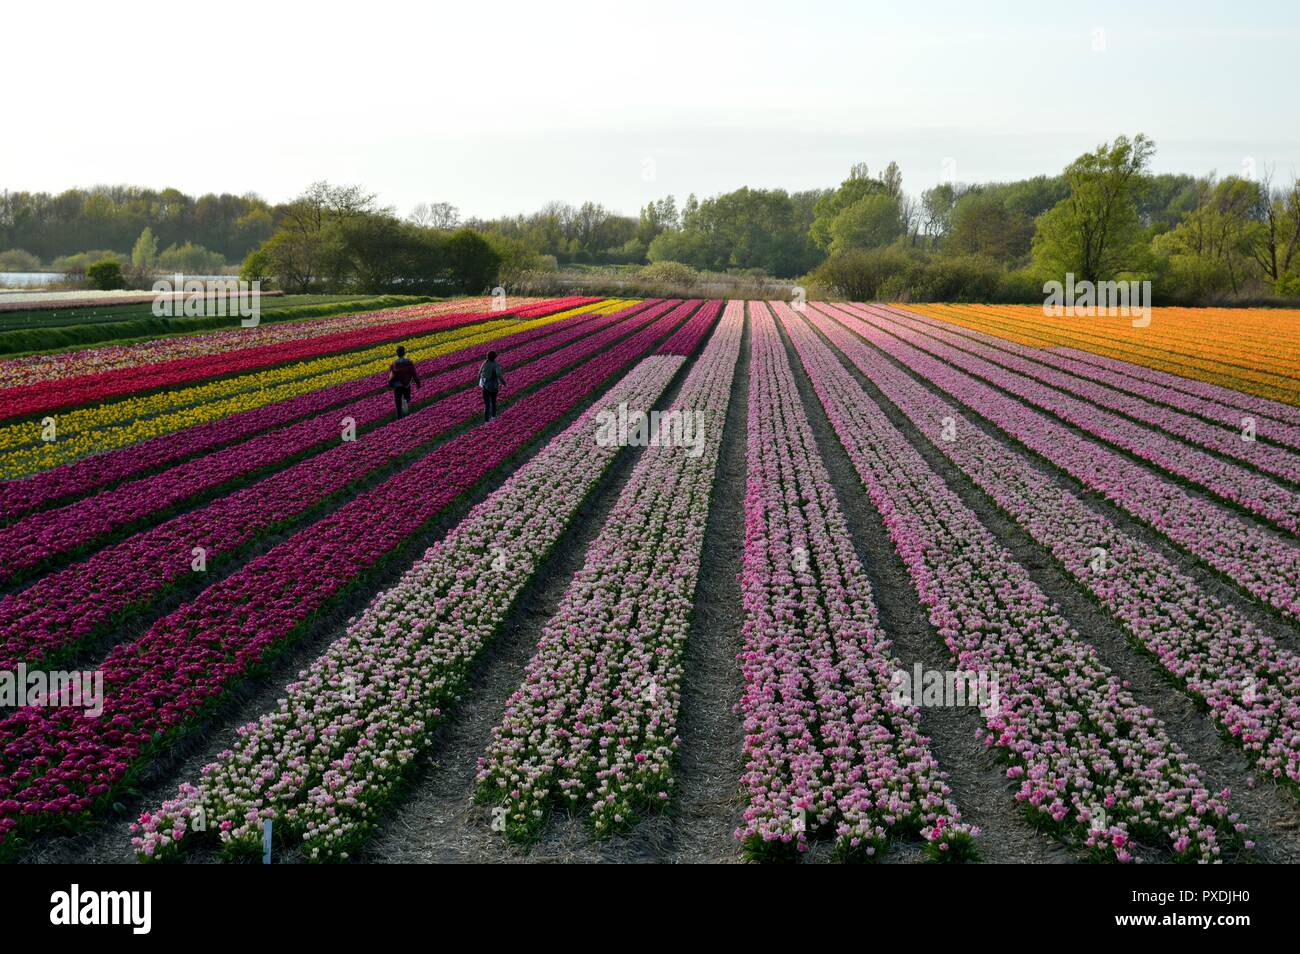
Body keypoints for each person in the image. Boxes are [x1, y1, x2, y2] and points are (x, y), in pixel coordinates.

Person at [389, 346, 421, 419]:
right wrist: (418, 383)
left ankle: (399, 417)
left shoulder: (394, 364)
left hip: (397, 385)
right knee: (407, 398)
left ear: (397, 354)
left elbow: (391, 374)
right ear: (404, 353)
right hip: (406, 384)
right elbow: (414, 373)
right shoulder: (409, 362)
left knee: (397, 402)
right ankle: (405, 405)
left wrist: (390, 383)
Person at [478, 350, 506, 422]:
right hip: (493, 387)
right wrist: (504, 383)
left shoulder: (484, 364)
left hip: (485, 387)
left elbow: (479, 374)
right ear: (495, 357)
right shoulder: (496, 365)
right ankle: (493, 417)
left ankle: (486, 421)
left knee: (487, 405)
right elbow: (499, 376)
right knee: (493, 402)